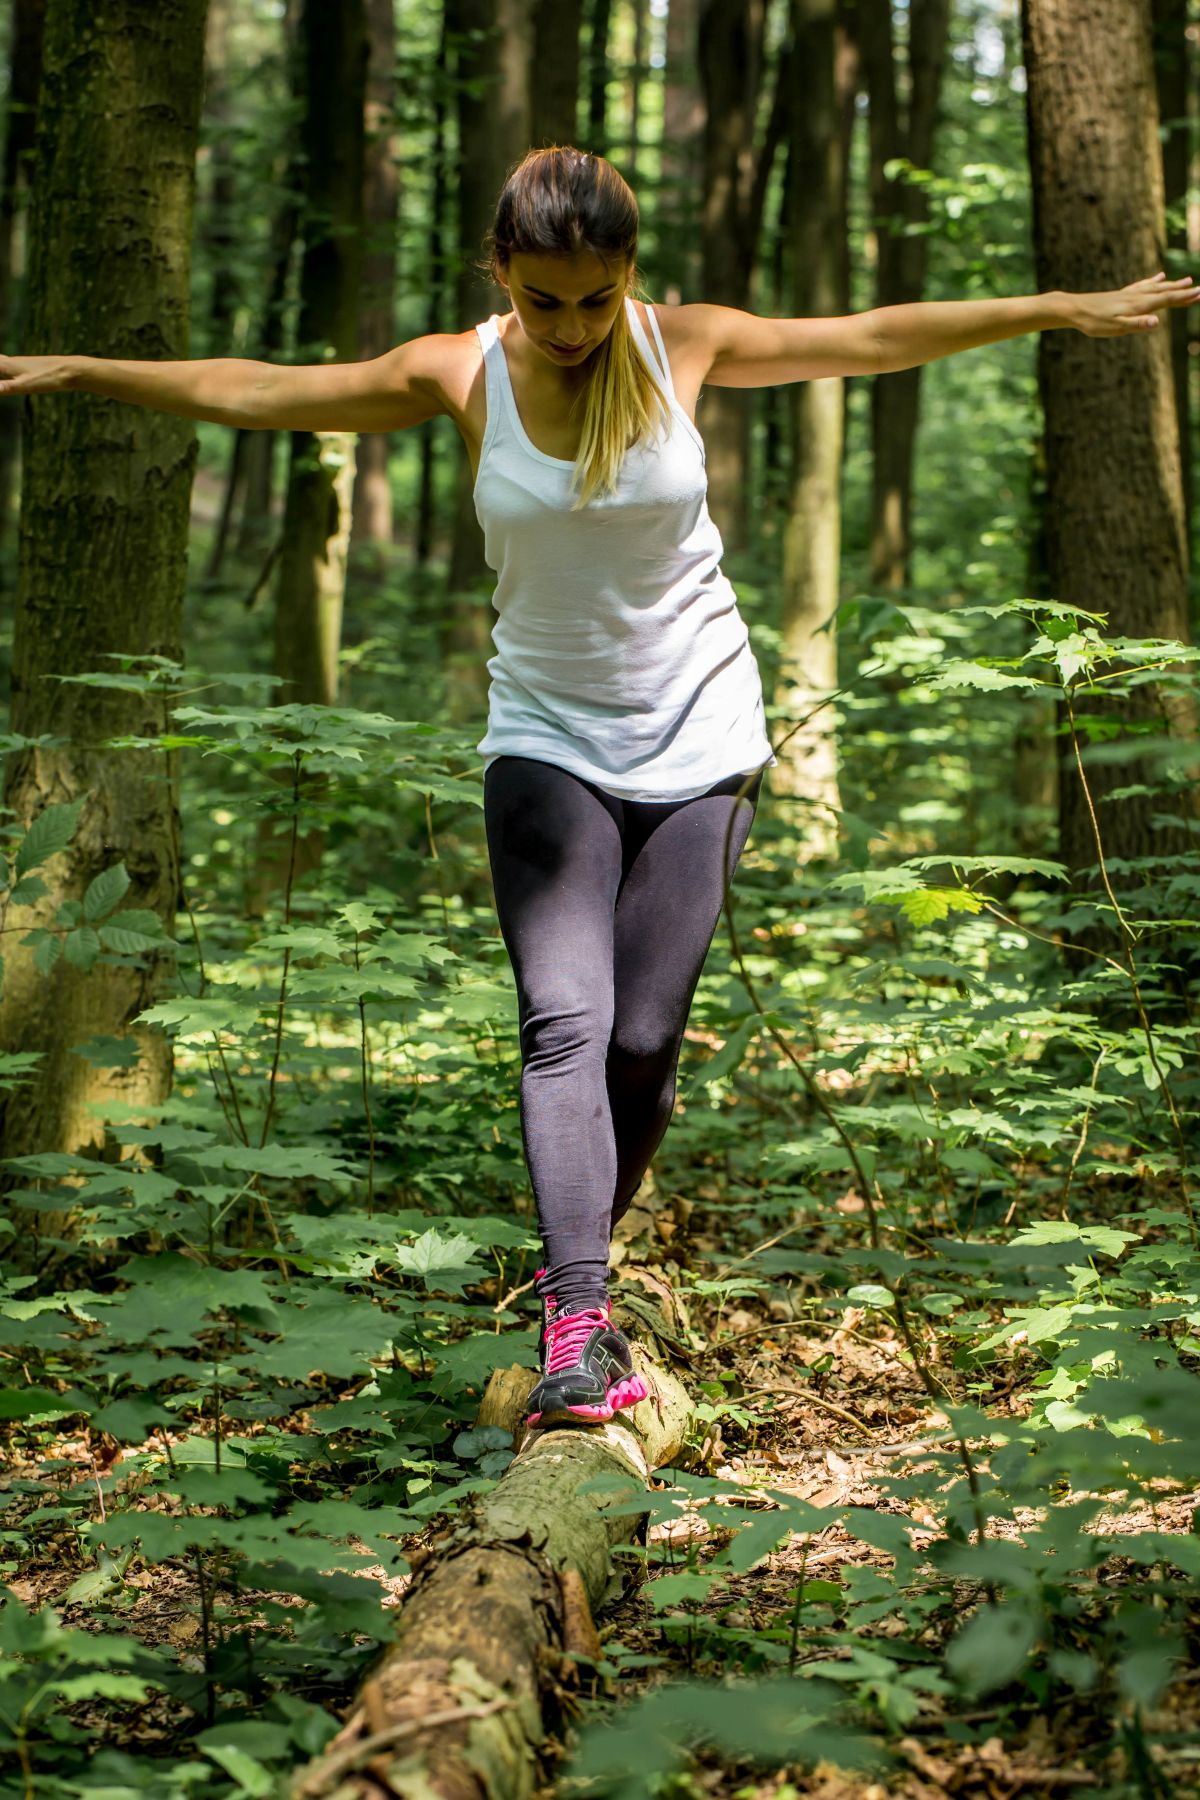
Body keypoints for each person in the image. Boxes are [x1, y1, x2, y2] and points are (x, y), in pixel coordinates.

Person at [4, 145, 1195, 1430]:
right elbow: (268, 389)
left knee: (643, 1043)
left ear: (625, 273)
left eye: (592, 296)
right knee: (565, 1022)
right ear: (501, 275)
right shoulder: (457, 370)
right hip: (546, 738)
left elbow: (874, 333)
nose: (570, 327)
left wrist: (1059, 309)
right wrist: (81, 369)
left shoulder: (683, 343)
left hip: (704, 739)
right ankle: (576, 1319)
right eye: (543, 300)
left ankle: (589, 1262)